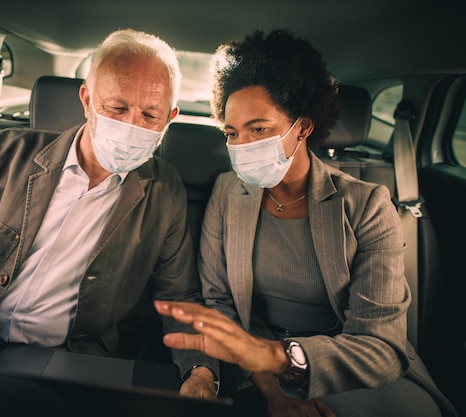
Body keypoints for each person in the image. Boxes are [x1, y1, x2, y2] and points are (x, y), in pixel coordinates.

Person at [0, 28, 218, 398]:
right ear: (86, 100)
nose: (131, 126)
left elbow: (179, 295)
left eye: (150, 115)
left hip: (82, 358)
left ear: (170, 118)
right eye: (117, 108)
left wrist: (201, 372)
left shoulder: (164, 190)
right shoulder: (3, 154)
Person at [154, 29, 457, 417]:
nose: (242, 146)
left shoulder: (366, 205)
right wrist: (272, 384)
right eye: (232, 133)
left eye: (259, 129)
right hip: (251, 361)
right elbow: (220, 303)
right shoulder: (227, 192)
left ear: (303, 127)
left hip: (348, 364)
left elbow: (379, 346)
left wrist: (290, 365)